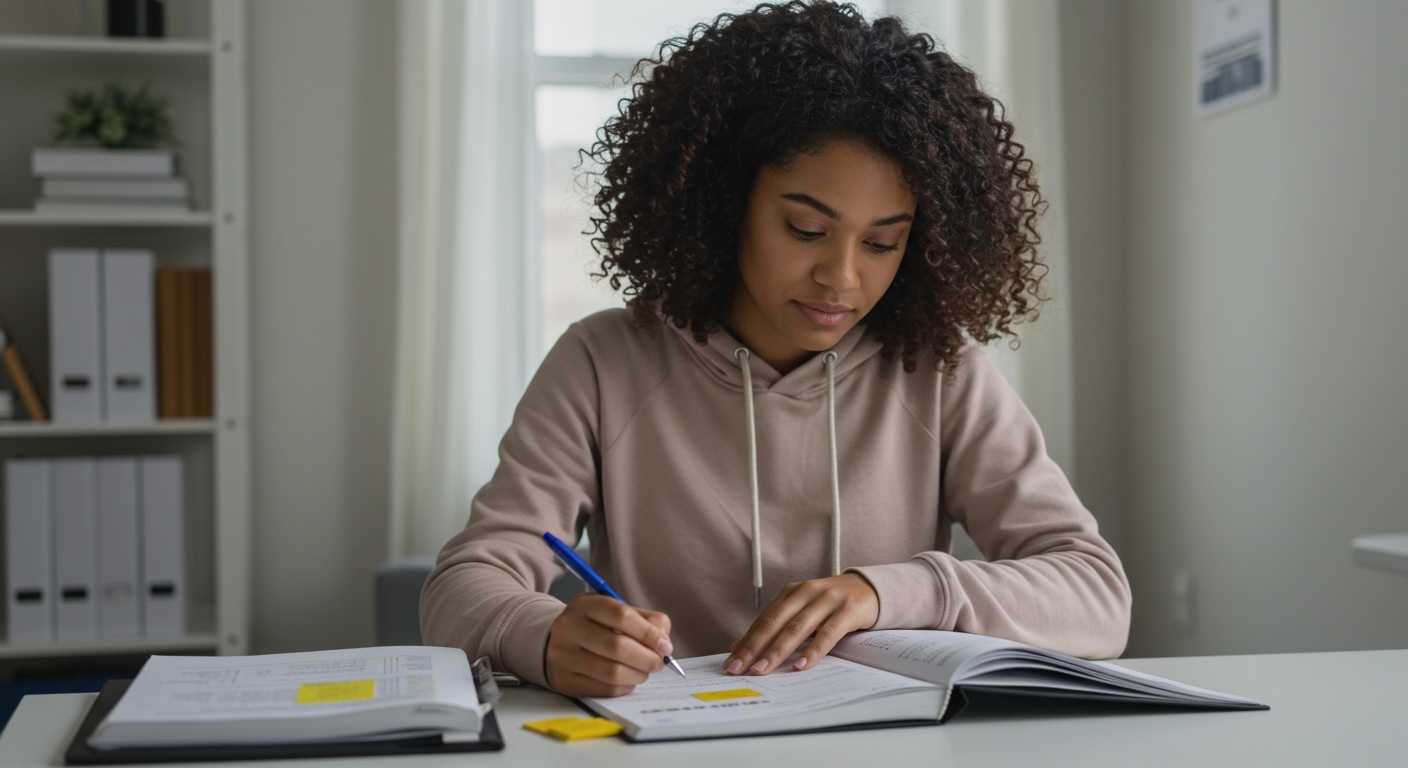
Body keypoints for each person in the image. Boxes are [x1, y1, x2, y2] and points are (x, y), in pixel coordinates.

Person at [421, 0, 1129, 698]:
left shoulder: (939, 373)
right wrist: (541, 634)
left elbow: (1095, 594)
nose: (843, 277)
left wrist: (887, 592)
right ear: (727, 204)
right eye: (803, 228)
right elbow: (463, 583)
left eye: (883, 242)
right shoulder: (603, 362)